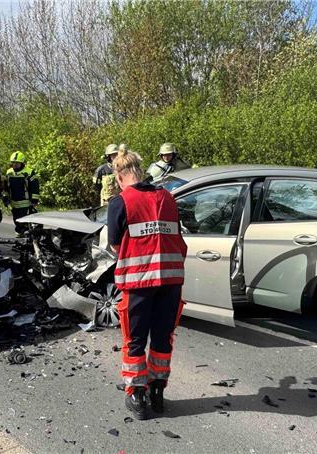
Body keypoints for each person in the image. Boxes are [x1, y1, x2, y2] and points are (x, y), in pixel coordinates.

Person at [106, 147, 187, 420]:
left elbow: (116, 243)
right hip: (171, 281)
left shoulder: (120, 202)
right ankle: (158, 392)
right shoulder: (167, 197)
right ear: (142, 171)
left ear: (119, 176)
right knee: (163, 338)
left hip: (139, 283)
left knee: (135, 340)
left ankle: (137, 396)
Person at [2, 151, 40, 234]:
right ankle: (20, 235)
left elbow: (35, 187)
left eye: (17, 163)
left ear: (22, 163)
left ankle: (27, 236)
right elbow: (5, 187)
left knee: (25, 221)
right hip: (14, 203)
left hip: (25, 203)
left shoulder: (29, 172)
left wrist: (34, 201)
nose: (15, 164)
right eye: (13, 163)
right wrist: (5, 197)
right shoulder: (9, 172)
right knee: (16, 220)